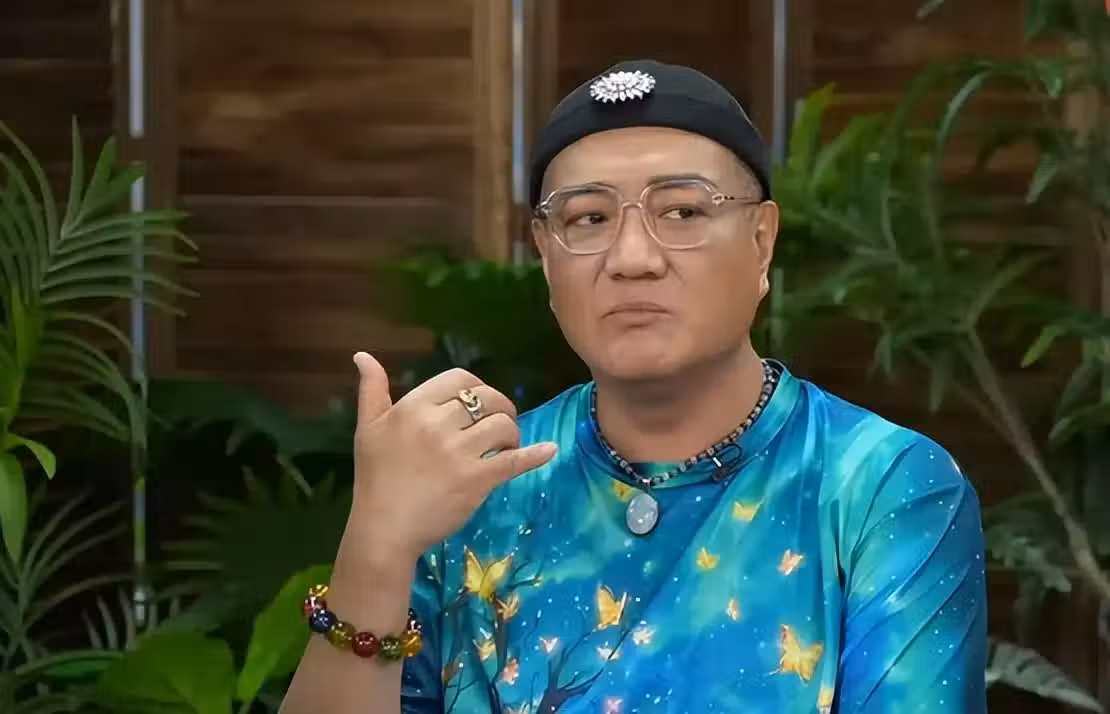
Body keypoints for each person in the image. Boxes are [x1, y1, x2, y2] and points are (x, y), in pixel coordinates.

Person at [280, 59, 988, 714]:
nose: (632, 257)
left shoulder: (879, 486)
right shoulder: (475, 486)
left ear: (761, 241)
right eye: (588, 219)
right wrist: (376, 545)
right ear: (546, 257)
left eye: (682, 211)